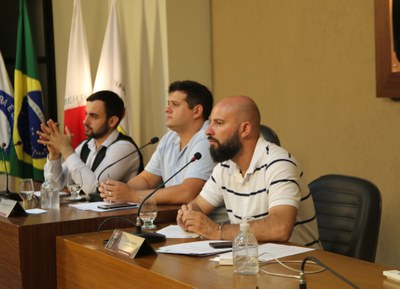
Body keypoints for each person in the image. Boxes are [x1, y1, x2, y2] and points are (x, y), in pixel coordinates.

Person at [177, 95, 320, 247]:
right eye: (210, 122)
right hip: (251, 259)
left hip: (297, 264)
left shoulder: (279, 164)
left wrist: (217, 231)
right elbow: (199, 205)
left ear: (245, 129)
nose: (208, 131)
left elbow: (280, 227)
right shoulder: (225, 167)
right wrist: (188, 214)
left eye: (219, 123)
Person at [98, 80, 217, 206]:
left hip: (209, 221)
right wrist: (118, 190)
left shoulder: (208, 139)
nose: (167, 109)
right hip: (178, 216)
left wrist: (132, 195)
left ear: (197, 111)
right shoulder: (169, 138)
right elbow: (147, 179)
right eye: (168, 104)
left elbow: (187, 193)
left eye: (175, 104)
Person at [37, 90, 143, 197]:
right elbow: (56, 186)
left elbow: (94, 190)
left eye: (93, 116)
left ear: (112, 121)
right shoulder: (86, 145)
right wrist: (54, 155)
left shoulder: (124, 148)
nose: (85, 121)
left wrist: (66, 150)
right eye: (86, 114)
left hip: (121, 213)